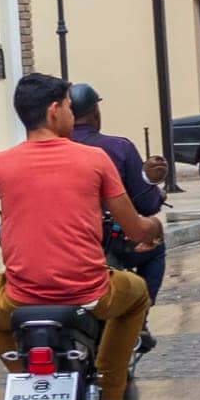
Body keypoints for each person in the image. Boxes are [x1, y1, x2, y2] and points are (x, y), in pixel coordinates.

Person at [0, 72, 164, 400]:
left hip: (21, 300)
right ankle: (107, 394)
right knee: (135, 295)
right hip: (90, 294)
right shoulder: (96, 159)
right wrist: (153, 229)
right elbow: (133, 228)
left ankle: (27, 376)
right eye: (69, 107)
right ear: (54, 111)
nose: (72, 114)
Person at [70, 82, 168, 353]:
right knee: (155, 248)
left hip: (59, 245)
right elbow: (146, 205)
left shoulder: (43, 152)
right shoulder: (116, 148)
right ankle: (139, 320)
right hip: (108, 241)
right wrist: (155, 193)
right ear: (95, 113)